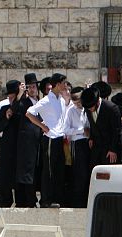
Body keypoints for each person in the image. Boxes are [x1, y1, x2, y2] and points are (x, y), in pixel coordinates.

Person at [26, 72, 69, 208]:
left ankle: (56, 197)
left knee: (58, 169)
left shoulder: (61, 100)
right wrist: (43, 126)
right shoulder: (46, 100)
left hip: (59, 137)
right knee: (48, 170)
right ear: (57, 84)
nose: (65, 85)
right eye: (63, 83)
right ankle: (46, 199)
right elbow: (29, 113)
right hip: (50, 137)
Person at [0, 80, 25, 207]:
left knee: (18, 176)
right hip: (6, 147)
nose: (11, 99)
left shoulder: (22, 108)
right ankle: (5, 200)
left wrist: (19, 98)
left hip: (19, 147)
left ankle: (21, 201)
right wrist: (6, 117)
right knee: (5, 175)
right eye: (10, 97)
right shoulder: (4, 109)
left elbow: (17, 109)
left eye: (14, 97)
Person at [15, 73, 42, 208]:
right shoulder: (23, 102)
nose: (32, 89)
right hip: (27, 142)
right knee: (27, 170)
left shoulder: (39, 102)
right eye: (30, 87)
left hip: (38, 140)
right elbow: (15, 110)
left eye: (34, 87)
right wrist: (20, 95)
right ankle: (28, 199)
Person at [82, 87, 122, 166]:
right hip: (96, 147)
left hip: (109, 148)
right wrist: (91, 138)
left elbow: (117, 131)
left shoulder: (111, 108)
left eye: (91, 107)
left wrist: (112, 149)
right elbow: (92, 124)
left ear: (97, 102)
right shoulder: (88, 108)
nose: (90, 109)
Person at [64, 86, 91, 208]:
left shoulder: (88, 108)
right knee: (80, 173)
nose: (78, 104)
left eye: (79, 101)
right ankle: (78, 202)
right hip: (78, 143)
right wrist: (81, 131)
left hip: (90, 143)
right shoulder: (71, 111)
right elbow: (66, 130)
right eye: (75, 102)